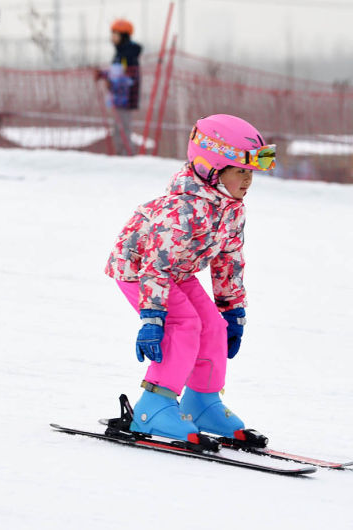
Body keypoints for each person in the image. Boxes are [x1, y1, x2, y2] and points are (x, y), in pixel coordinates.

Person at [104, 114, 276, 441]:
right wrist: (153, 319)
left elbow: (229, 258)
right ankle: (152, 407)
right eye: (240, 170)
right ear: (211, 167)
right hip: (141, 270)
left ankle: (201, 402)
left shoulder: (231, 207)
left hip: (177, 272)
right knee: (184, 324)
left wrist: (232, 310)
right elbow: (155, 264)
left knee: (213, 325)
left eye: (251, 171)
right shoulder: (181, 209)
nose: (248, 179)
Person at [98, 19, 142, 155]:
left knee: (123, 130)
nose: (112, 37)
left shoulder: (127, 55)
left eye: (115, 34)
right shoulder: (121, 53)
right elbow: (116, 73)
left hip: (125, 98)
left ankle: (127, 156)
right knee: (118, 130)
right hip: (119, 97)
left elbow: (125, 77)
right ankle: (122, 156)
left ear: (123, 35)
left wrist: (110, 81)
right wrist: (104, 75)